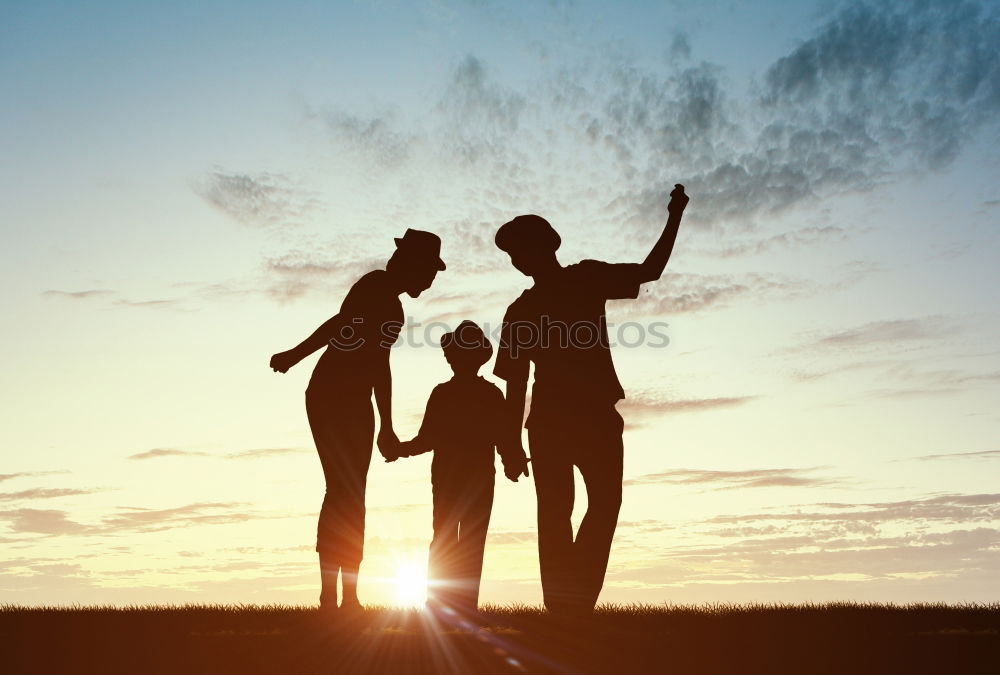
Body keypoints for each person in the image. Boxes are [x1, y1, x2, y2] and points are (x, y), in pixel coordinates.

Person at [493, 184, 689, 614]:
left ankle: (571, 605)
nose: (515, 261)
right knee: (563, 513)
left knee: (594, 507)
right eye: (511, 254)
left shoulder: (583, 278)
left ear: (542, 247)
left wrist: (675, 216)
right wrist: (508, 445)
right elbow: (515, 383)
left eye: (518, 251)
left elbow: (649, 270)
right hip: (554, 423)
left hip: (587, 419)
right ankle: (568, 609)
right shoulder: (522, 308)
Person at [269, 229, 446, 612]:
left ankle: (346, 594)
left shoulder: (394, 309)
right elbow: (339, 327)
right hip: (331, 395)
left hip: (357, 400)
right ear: (413, 266)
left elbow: (379, 365)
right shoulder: (373, 286)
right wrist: (295, 355)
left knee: (352, 492)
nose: (431, 281)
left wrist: (386, 423)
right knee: (342, 489)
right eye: (430, 272)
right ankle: (331, 594)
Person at [391, 320, 528, 615]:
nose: (450, 358)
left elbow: (427, 439)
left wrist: (402, 450)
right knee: (468, 541)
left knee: (444, 538)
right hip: (475, 478)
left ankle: (442, 604)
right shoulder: (489, 394)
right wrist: (512, 462)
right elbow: (502, 437)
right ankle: (461, 604)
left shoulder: (445, 393)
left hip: (450, 478)